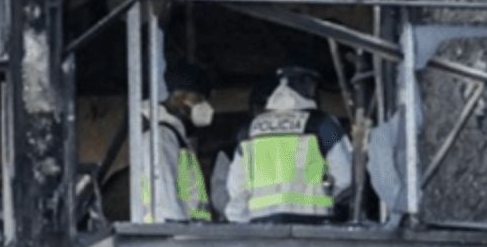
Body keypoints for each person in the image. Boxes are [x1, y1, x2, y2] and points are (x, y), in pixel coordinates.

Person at [225, 66, 352, 224]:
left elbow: (237, 187)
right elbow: (346, 177)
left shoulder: (250, 130)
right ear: (309, 87)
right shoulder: (323, 124)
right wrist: (329, 201)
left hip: (262, 225)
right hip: (313, 224)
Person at [140, 61, 216, 223]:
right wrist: (176, 231)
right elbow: (164, 199)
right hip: (174, 232)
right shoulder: (161, 137)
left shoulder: (174, 137)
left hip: (187, 231)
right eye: (199, 98)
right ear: (179, 97)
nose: (205, 105)